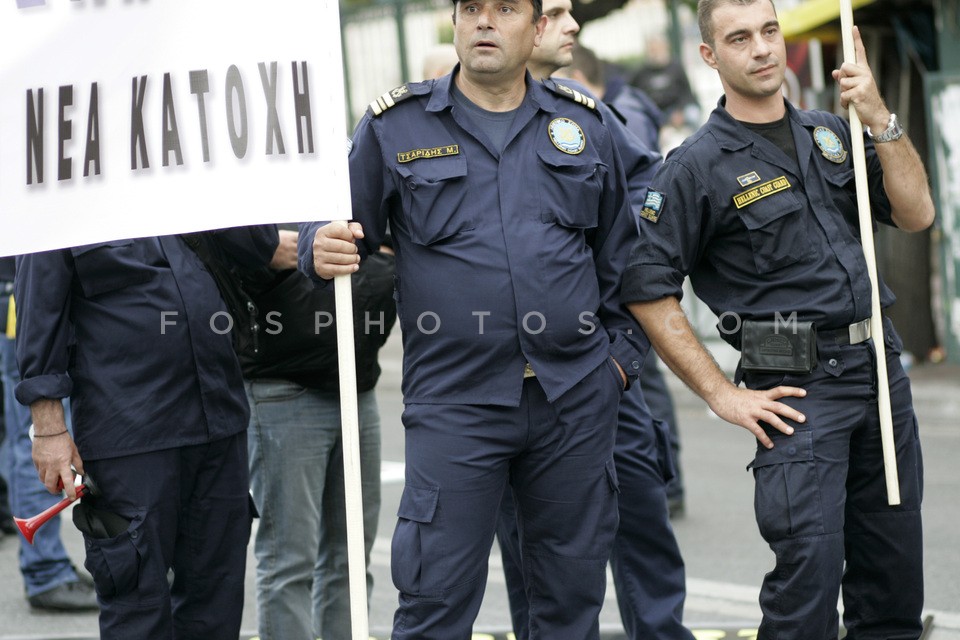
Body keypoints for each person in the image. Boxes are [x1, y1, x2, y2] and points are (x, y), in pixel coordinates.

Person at [299, 0, 647, 634]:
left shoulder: (583, 125)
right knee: (435, 601)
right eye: (471, 8)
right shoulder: (394, 127)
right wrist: (312, 246)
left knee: (569, 607)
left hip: (573, 400)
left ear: (538, 28)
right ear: (454, 22)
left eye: (506, 8)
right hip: (456, 404)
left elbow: (623, 260)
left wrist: (617, 365)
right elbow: (331, 223)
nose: (485, 22)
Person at [622, 0, 933, 637]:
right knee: (806, 585)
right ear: (710, 56)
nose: (763, 49)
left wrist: (879, 118)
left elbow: (916, 213)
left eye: (769, 32)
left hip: (879, 367)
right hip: (796, 387)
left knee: (894, 580)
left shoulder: (834, 129)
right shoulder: (693, 167)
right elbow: (648, 291)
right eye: (740, 38)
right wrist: (722, 395)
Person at [492, 4, 693, 638]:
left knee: (643, 531)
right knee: (538, 562)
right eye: (555, 13)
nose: (573, 24)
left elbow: (645, 194)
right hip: (512, 386)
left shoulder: (581, 112)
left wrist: (621, 355)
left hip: (599, 368)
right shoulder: (455, 120)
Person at [15, 227, 278, 639]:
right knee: (137, 609)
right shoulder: (67, 186)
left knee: (215, 605)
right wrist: (49, 429)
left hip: (218, 419)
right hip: (129, 430)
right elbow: (39, 306)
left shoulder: (194, 170)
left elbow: (257, 248)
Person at [239, 226, 397, 640]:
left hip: (357, 389)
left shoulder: (357, 165)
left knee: (351, 557)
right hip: (284, 388)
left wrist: (377, 248)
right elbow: (233, 248)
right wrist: (278, 247)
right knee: (289, 562)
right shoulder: (266, 172)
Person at [560, 42, 689, 516]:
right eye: (558, 12)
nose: (571, 23)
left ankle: (667, 483)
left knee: (644, 395)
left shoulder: (604, 110)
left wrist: (618, 246)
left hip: (612, 317)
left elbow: (640, 183)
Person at [0, 255, 98, 611]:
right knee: (37, 435)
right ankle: (45, 572)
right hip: (20, 289)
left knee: (25, 436)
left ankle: (46, 568)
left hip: (17, 286)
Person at [631, 34, 701, 130]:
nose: (655, 53)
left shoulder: (676, 67)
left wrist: (679, 111)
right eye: (652, 50)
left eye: (658, 49)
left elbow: (687, 93)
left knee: (693, 115)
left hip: (677, 109)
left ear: (666, 48)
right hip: (653, 113)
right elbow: (634, 95)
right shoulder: (641, 72)